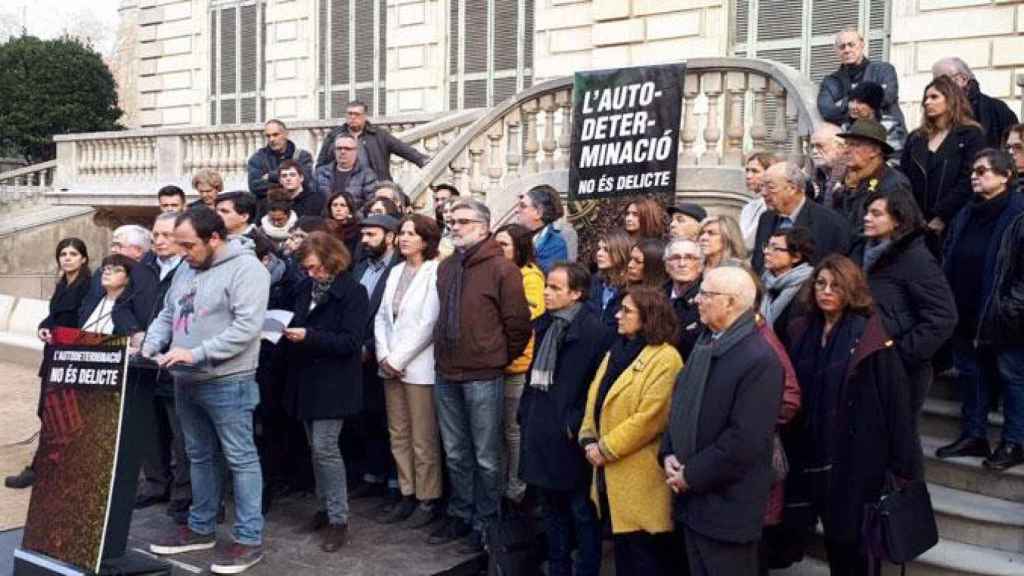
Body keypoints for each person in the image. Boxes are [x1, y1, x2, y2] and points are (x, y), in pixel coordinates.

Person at [144, 207, 270, 574]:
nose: (182, 252)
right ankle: (201, 529)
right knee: (198, 456)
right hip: (186, 380)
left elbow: (247, 328)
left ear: (214, 238)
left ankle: (249, 539)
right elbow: (169, 313)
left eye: (188, 245)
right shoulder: (188, 265)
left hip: (228, 381)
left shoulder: (248, 270)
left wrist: (194, 353)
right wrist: (151, 346)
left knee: (240, 459)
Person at [785, 255, 917, 576]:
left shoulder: (869, 337)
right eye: (820, 284)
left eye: (836, 285)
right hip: (807, 454)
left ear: (852, 290)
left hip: (854, 463)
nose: (826, 291)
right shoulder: (800, 329)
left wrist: (904, 469)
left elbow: (896, 407)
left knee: (850, 549)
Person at [660, 266, 783, 576]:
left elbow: (745, 441)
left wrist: (691, 475)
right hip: (693, 502)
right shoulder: (705, 344)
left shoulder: (760, 360)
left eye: (706, 294)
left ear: (731, 303)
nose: (696, 300)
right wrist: (669, 453)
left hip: (727, 509)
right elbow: (680, 407)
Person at [429, 198, 531, 552]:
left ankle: (487, 521)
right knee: (455, 452)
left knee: (486, 455)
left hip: (483, 374)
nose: (454, 226)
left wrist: (496, 357)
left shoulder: (503, 270)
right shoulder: (446, 268)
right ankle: (461, 512)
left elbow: (518, 325)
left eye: (462, 221)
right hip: (446, 373)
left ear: (484, 227)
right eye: (451, 221)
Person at [851, 187, 957, 475]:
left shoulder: (915, 258)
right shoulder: (863, 252)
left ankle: (906, 511)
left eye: (876, 213)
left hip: (902, 369)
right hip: (867, 363)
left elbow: (943, 316)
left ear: (897, 219)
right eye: (866, 212)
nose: (867, 219)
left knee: (900, 447)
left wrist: (900, 354)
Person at [579, 285, 682, 576]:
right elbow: (594, 396)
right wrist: (588, 435)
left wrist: (605, 448)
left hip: (640, 474)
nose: (617, 315)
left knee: (643, 557)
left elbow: (651, 417)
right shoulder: (616, 349)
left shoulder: (666, 358)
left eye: (626, 311)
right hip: (607, 473)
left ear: (648, 317)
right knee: (623, 555)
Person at [519, 262, 611, 576]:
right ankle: (558, 568)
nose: (546, 292)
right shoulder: (545, 324)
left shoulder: (594, 332)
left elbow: (595, 388)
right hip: (542, 428)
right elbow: (534, 378)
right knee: (552, 510)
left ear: (577, 293)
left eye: (556, 288)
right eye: (547, 285)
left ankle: (586, 569)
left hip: (571, 437)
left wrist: (574, 425)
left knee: (581, 511)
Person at [280, 232, 367, 552]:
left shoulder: (353, 292)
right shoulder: (304, 287)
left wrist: (309, 336)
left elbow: (350, 341)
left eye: (316, 268)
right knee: (315, 449)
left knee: (325, 448)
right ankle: (325, 507)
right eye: (306, 268)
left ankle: (338, 519)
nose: (311, 274)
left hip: (334, 382)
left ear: (332, 261)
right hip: (306, 381)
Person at [938, 149, 1024, 469]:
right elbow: (950, 251)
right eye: (973, 170)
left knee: (1011, 376)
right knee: (970, 374)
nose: (975, 175)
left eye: (984, 170)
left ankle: (1014, 442)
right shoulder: (967, 211)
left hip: (1003, 314)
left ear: (1005, 176)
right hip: (965, 309)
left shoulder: (1019, 213)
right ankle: (974, 435)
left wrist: (1011, 307)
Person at [374, 215, 444, 526]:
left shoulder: (434, 272)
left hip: (417, 367)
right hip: (390, 365)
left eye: (411, 234)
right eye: (401, 233)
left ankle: (427, 498)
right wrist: (384, 355)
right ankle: (407, 492)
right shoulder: (396, 271)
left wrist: (398, 359)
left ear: (426, 240)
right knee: (398, 433)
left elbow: (428, 323)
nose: (403, 238)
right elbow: (381, 317)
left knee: (422, 437)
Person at [5, 238, 91, 489]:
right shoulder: (63, 283)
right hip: (54, 354)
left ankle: (44, 468)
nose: (67, 258)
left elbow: (80, 322)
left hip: (72, 358)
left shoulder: (87, 286)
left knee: (60, 414)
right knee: (47, 411)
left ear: (83, 259)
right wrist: (44, 327)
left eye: (73, 254)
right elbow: (53, 315)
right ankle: (46, 466)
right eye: (63, 254)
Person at [136, 213, 191, 522]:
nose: (158, 240)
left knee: (182, 436)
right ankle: (156, 484)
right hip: (145, 361)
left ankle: (184, 495)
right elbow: (124, 304)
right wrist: (134, 331)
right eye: (155, 234)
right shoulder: (144, 268)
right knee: (150, 430)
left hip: (176, 363)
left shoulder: (189, 269)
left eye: (166, 235)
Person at [349, 214, 402, 505]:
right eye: (364, 235)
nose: (365, 241)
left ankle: (395, 482)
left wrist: (372, 347)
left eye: (372, 235)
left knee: (389, 421)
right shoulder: (360, 268)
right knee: (367, 418)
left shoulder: (398, 269)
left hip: (385, 355)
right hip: (357, 356)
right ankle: (373, 475)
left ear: (390, 237)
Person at [494, 223, 547, 508]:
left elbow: (528, 315)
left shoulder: (530, 277)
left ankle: (515, 488)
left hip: (518, 364)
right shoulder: (500, 273)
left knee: (513, 431)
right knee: (500, 430)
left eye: (504, 245)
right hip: (497, 364)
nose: (498, 250)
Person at [900, 75, 986, 248]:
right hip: (916, 224)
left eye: (934, 97)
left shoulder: (970, 135)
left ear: (951, 99)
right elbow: (904, 178)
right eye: (925, 98)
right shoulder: (916, 138)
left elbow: (968, 180)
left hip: (954, 222)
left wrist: (942, 215)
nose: (927, 103)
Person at [752, 161, 850, 274]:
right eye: (762, 187)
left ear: (792, 188)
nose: (763, 193)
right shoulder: (766, 219)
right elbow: (758, 264)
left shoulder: (829, 223)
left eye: (771, 187)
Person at [818, 28, 906, 136]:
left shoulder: (883, 70)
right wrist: (866, 105)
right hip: (854, 141)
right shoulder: (830, 82)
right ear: (836, 50)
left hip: (890, 136)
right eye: (842, 47)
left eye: (851, 44)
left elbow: (887, 97)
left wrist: (844, 104)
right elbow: (828, 112)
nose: (847, 50)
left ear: (862, 44)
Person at [314, 99, 430, 182]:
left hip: (376, 185)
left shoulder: (379, 135)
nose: (353, 117)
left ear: (364, 116)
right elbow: (321, 164)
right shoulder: (334, 136)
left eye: (357, 114)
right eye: (350, 114)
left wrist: (422, 160)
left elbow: (402, 148)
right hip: (344, 184)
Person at [833, 119, 912, 232]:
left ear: (874, 151)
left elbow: (903, 230)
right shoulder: (852, 180)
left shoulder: (894, 184)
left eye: (855, 145)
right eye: (846, 144)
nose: (846, 150)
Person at [933, 57, 1019, 149]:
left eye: (942, 82)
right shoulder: (937, 113)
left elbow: (1013, 149)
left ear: (963, 79)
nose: (937, 89)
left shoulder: (997, 110)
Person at [760, 226, 815, 349]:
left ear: (796, 257)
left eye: (775, 248)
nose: (767, 252)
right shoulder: (764, 282)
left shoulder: (809, 288)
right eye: (767, 246)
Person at [247, 119, 314, 203]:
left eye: (275, 135)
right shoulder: (258, 158)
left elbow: (306, 181)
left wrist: (271, 176)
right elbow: (255, 186)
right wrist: (290, 183)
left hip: (298, 205)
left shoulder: (302, 156)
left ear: (286, 134)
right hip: (269, 207)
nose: (271, 139)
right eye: (268, 136)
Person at [844, 81, 907, 162]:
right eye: (851, 101)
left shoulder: (889, 126)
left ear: (873, 107)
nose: (853, 106)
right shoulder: (846, 127)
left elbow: (896, 159)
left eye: (860, 102)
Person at [663, 238, 704, 359]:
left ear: (701, 265)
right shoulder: (654, 298)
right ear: (666, 265)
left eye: (689, 258)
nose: (682, 264)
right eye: (675, 258)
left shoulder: (706, 300)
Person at [315, 134, 378, 207]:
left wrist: (353, 216)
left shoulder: (367, 175)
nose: (342, 152)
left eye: (347, 148)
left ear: (356, 151)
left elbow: (370, 203)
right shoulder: (321, 173)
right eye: (339, 148)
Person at [516, 184, 568, 273]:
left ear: (538, 213)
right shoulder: (515, 235)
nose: (516, 210)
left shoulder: (556, 244)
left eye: (523, 206)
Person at [587, 230, 632, 327]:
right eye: (599, 248)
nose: (599, 253)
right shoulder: (594, 281)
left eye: (606, 250)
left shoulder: (631, 288)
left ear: (621, 252)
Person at [740, 152, 781, 249]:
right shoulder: (748, 207)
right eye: (747, 170)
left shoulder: (777, 205)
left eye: (755, 171)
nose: (748, 176)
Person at [810, 124, 848, 208]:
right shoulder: (814, 174)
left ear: (840, 147)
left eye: (820, 146)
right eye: (812, 146)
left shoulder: (852, 176)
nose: (814, 151)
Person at [322, 190, 361, 256]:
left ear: (350, 209)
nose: (338, 209)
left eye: (343, 205)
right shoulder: (323, 228)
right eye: (335, 205)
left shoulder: (357, 230)